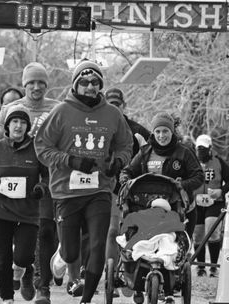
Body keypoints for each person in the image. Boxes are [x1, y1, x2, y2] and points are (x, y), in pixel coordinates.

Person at [34, 59, 133, 304]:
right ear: (76, 84)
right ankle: (63, 257)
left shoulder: (112, 114)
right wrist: (71, 161)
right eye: (85, 82)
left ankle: (86, 299)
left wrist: (118, 162)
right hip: (66, 191)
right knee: (70, 251)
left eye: (95, 82)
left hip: (99, 188)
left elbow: (125, 145)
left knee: (99, 242)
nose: (90, 87)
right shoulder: (61, 112)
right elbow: (42, 147)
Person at [0, 62, 60, 304]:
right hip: (18, 178)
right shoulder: (12, 109)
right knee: (26, 232)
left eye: (41, 82)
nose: (36, 87)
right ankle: (29, 270)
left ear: (46, 85)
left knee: (47, 231)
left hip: (48, 177)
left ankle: (43, 287)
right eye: (31, 82)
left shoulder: (56, 108)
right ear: (24, 85)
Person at [120, 111, 203, 304]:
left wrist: (184, 184)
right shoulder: (145, 152)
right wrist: (125, 178)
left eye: (165, 131)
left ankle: (168, 290)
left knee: (172, 246)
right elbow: (129, 170)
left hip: (176, 207)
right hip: (145, 207)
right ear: (154, 132)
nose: (161, 136)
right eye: (158, 131)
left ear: (172, 132)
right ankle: (138, 283)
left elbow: (198, 175)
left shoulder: (183, 152)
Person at [0, 105, 49, 304]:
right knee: (2, 258)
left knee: (23, 257)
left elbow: (50, 175)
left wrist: (41, 188)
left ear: (28, 127)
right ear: (7, 125)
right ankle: (7, 298)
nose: (19, 126)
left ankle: (25, 271)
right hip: (0, 210)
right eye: (15, 122)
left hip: (28, 211)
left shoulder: (36, 149)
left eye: (23, 122)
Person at [104, 87, 151, 297]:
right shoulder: (100, 128)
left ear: (124, 106)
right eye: (110, 103)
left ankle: (136, 278)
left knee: (134, 232)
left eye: (117, 104)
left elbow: (155, 151)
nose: (114, 107)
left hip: (135, 191)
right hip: (110, 189)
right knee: (113, 232)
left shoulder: (138, 130)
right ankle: (111, 275)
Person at [192, 134, 229, 277]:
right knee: (198, 234)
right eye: (198, 149)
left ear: (210, 149)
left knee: (212, 228)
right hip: (197, 202)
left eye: (204, 149)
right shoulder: (192, 162)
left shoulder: (219, 162)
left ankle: (214, 266)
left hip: (215, 202)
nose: (201, 152)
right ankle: (201, 266)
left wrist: (221, 191)